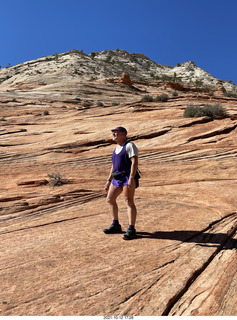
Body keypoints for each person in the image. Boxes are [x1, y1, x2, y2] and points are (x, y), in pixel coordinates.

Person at [103, 126, 139, 240]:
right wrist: (109, 180)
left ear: (123, 134)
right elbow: (113, 165)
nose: (113, 134)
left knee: (129, 201)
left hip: (127, 177)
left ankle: (131, 229)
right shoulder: (116, 148)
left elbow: (134, 161)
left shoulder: (129, 145)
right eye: (113, 132)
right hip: (117, 178)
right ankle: (116, 225)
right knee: (110, 199)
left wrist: (132, 178)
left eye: (116, 132)